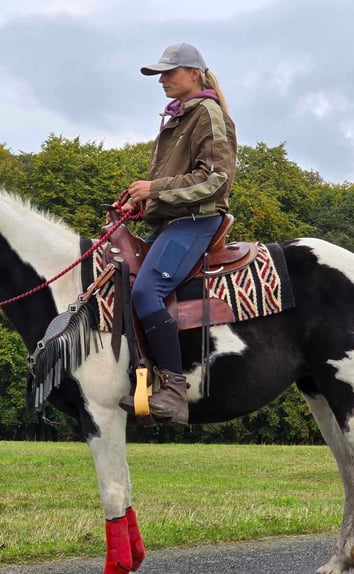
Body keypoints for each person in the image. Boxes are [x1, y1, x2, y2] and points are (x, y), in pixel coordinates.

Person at [118, 42, 237, 425]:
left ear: (195, 75)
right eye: (160, 74)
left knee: (145, 291)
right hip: (171, 222)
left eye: (169, 72)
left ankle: (174, 391)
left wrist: (152, 190)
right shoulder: (175, 118)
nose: (163, 80)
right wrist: (143, 205)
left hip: (197, 221)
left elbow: (216, 178)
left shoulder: (208, 113)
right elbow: (171, 184)